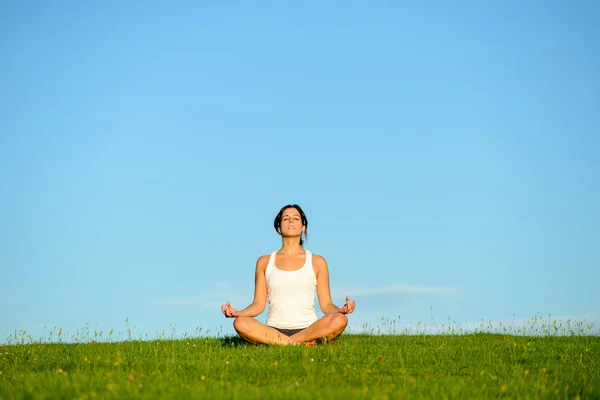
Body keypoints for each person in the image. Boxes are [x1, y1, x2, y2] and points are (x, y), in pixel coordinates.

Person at [221, 204, 356, 346]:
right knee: (241, 323)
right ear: (279, 228)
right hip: (274, 329)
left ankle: (280, 343)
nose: (291, 221)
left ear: (303, 227)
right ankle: (298, 344)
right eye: (286, 219)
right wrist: (238, 313)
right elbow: (258, 304)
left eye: (296, 218)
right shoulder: (264, 262)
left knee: (340, 320)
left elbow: (326, 305)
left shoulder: (317, 261)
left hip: (309, 329)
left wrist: (340, 310)